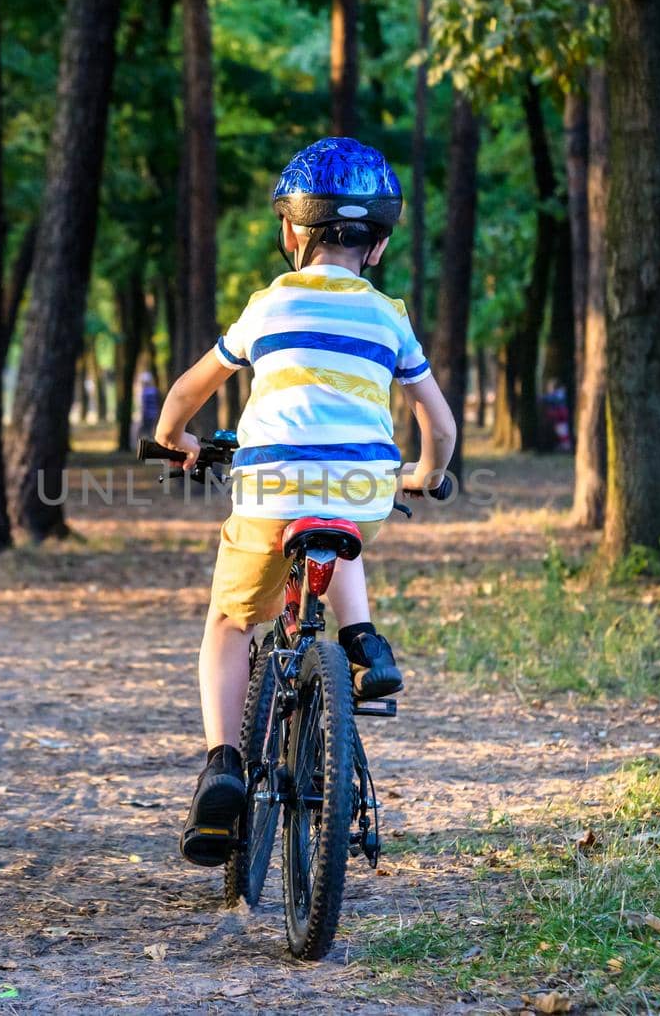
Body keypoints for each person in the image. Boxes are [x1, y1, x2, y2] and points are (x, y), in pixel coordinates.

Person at [152, 137, 457, 866]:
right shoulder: (390, 316)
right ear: (378, 245)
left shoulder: (268, 305)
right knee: (339, 526)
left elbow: (192, 390)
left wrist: (173, 436)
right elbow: (438, 424)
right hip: (362, 487)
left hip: (269, 488)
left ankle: (222, 763)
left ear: (290, 232)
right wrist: (423, 474)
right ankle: (363, 638)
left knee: (229, 621)